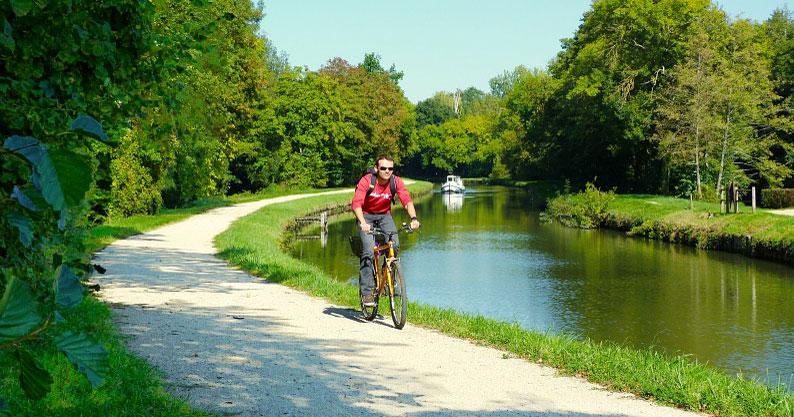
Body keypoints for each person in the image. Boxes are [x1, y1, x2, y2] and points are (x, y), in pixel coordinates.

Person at [351, 155, 421, 307]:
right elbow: (356, 203)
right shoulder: (367, 181)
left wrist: (414, 218)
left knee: (394, 245)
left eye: (390, 168)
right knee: (369, 251)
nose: (387, 171)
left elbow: (406, 200)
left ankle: (388, 272)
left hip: (384, 216)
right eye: (383, 168)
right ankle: (367, 293)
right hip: (366, 217)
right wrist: (362, 222)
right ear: (377, 168)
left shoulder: (395, 182)